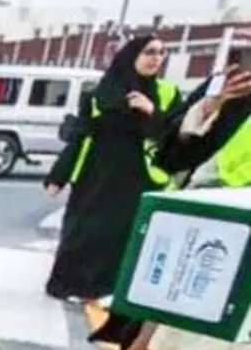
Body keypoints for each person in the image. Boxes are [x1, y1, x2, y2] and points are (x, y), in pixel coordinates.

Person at [142, 60, 251, 350]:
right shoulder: (224, 84)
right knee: (202, 290)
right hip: (213, 203)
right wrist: (212, 105)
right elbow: (175, 149)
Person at [44, 35, 182, 302]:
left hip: (140, 177)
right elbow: (81, 135)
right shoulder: (101, 93)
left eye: (162, 53)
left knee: (122, 235)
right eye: (149, 52)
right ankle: (72, 286)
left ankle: (107, 290)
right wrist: (58, 176)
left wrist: (150, 110)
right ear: (131, 55)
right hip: (97, 174)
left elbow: (175, 136)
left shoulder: (168, 93)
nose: (156, 58)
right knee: (83, 231)